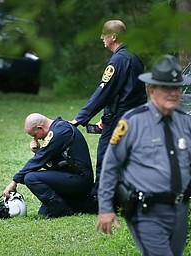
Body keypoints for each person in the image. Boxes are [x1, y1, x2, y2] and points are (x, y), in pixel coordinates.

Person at [96, 55, 191, 256]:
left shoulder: (186, 123)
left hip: (180, 210)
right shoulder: (131, 122)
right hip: (146, 211)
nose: (173, 93)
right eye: (166, 88)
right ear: (151, 90)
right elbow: (111, 166)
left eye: (177, 88)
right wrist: (105, 207)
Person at [70, 20, 147, 197]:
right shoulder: (135, 56)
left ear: (114, 36)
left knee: (105, 155)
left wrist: (81, 118)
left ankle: (100, 196)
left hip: (118, 119)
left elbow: (104, 91)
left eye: (104, 34)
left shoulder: (118, 60)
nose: (101, 37)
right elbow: (136, 92)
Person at [3, 113, 94, 218]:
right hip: (71, 177)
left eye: (34, 135)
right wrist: (38, 151)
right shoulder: (58, 128)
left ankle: (63, 211)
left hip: (81, 181)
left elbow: (38, 161)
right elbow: (53, 165)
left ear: (40, 128)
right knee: (44, 213)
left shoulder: (60, 132)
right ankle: (80, 204)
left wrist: (14, 181)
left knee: (30, 178)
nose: (36, 139)